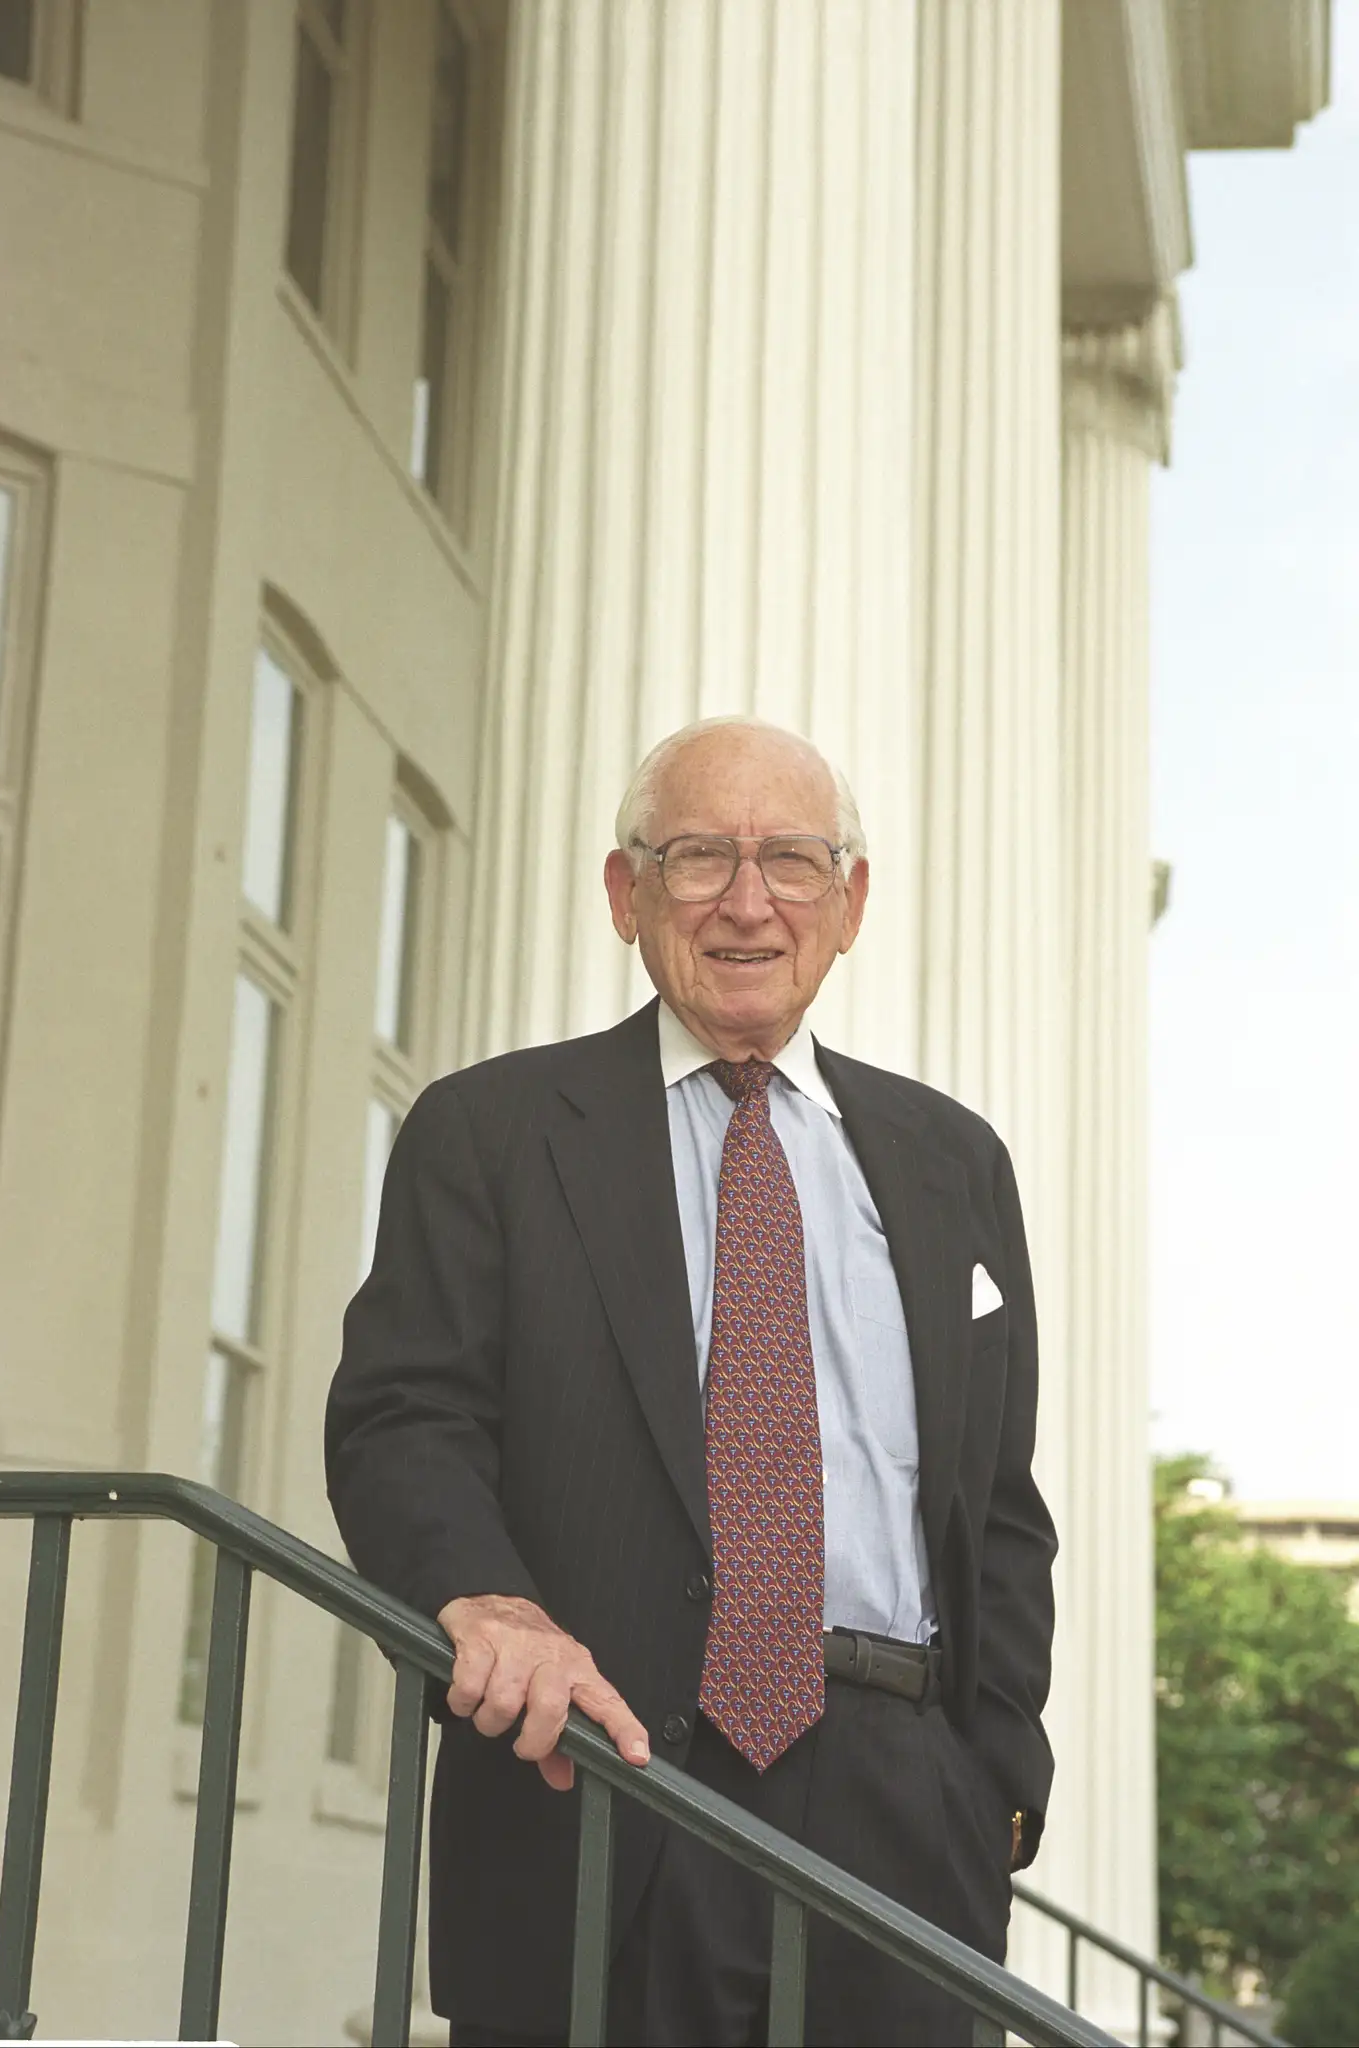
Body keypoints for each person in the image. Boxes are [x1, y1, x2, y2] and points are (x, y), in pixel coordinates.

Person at [325, 716, 1056, 2048]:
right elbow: (403, 1419)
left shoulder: (957, 1162)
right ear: (626, 894)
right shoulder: (491, 1134)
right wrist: (480, 1598)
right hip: (599, 1773)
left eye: (787, 859)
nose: (745, 900)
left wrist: (991, 1772)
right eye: (698, 856)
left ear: (847, 904)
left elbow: (998, 1508)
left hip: (904, 1807)